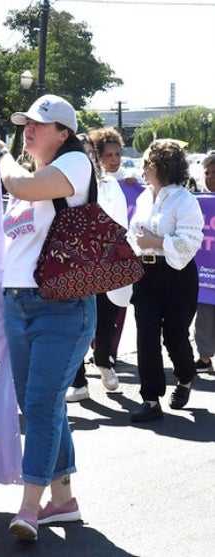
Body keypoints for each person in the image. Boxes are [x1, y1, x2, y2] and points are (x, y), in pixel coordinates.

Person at [0, 94, 96, 542]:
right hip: (19, 306)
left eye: (38, 124)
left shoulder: (74, 166)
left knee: (41, 406)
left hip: (61, 308)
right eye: (25, 123)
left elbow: (22, 187)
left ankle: (29, 508)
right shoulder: (32, 177)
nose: (28, 129)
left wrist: (1, 155)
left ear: (63, 134)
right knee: (42, 406)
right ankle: (63, 499)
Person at [127, 140, 204, 422]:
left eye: (147, 163)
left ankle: (185, 377)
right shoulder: (144, 197)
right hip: (144, 274)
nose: (143, 168)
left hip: (177, 275)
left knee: (174, 335)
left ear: (161, 167)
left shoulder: (185, 200)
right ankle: (150, 398)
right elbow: (134, 232)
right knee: (146, 335)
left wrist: (154, 241)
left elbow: (190, 242)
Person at [66, 131, 129, 402]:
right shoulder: (62, 184)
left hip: (104, 263)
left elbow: (120, 222)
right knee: (75, 324)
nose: (87, 157)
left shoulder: (109, 186)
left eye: (90, 152)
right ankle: (78, 382)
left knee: (105, 318)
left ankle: (103, 359)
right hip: (73, 265)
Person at [194, 151, 215, 372]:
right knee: (204, 317)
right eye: (207, 173)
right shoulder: (195, 201)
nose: (210, 178)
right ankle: (205, 358)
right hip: (205, 275)